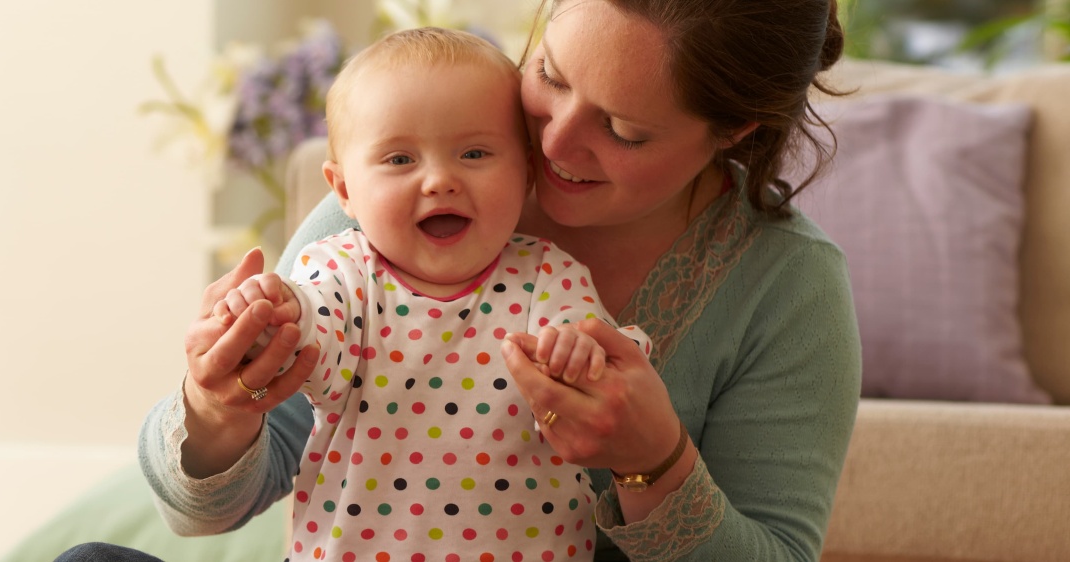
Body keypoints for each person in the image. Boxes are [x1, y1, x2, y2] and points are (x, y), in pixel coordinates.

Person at [98, 0, 863, 560]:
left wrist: (654, 461)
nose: (554, 142)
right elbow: (208, 506)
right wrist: (218, 409)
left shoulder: (787, 287)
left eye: (623, 131)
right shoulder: (401, 191)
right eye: (550, 77)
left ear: (734, 132)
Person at [204, 27, 651, 562]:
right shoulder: (341, 270)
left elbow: (601, 356)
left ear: (527, 172)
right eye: (399, 160)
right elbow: (311, 324)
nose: (439, 181)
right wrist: (270, 313)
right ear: (343, 189)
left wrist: (582, 357)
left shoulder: (547, 275)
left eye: (475, 153)